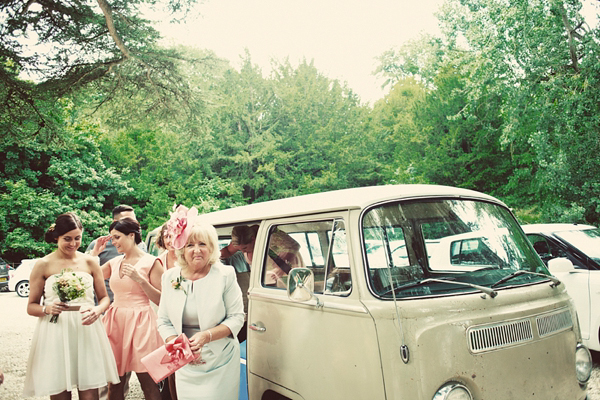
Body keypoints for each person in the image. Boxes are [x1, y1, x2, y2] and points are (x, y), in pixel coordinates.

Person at [23, 213, 119, 399]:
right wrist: (47, 309)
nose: (73, 244)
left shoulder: (90, 261)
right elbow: (31, 306)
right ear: (56, 236)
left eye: (77, 238)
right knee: (59, 393)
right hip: (55, 332)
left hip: (86, 329)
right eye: (67, 239)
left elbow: (104, 298)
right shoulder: (42, 265)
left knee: (90, 394)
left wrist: (97, 310)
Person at [157, 206, 244, 400]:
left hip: (220, 358)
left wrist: (206, 336)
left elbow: (237, 317)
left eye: (202, 244)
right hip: (186, 360)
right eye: (190, 245)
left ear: (211, 247)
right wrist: (177, 343)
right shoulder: (169, 277)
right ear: (182, 249)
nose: (197, 250)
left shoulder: (225, 275)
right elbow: (163, 320)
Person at [99, 217, 164, 400]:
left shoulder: (152, 262)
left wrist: (141, 280)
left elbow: (163, 300)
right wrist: (95, 253)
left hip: (141, 323)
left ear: (131, 235)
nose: (113, 242)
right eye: (112, 238)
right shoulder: (114, 262)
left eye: (117, 237)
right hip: (115, 322)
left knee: (148, 383)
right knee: (114, 383)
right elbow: (89, 276)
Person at [221, 224, 304, 285]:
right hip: (265, 281)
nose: (243, 252)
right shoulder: (240, 241)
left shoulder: (272, 236)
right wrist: (212, 257)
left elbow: (295, 246)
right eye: (239, 249)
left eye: (245, 248)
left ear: (253, 239)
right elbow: (228, 251)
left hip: (288, 278)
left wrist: (280, 268)